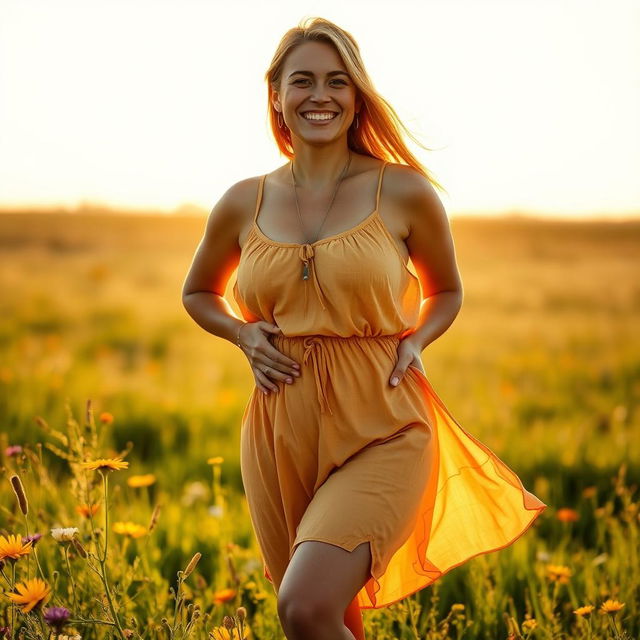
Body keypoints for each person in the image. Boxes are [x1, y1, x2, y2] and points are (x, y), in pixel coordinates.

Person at [182, 17, 547, 640]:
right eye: (302, 81)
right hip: (280, 427)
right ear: (276, 94)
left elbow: (447, 290)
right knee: (330, 614)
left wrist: (416, 338)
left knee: (304, 607)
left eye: (336, 81)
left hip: (384, 420)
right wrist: (243, 334)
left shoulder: (403, 192)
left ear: (356, 98)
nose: (319, 95)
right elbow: (198, 292)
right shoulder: (242, 200)